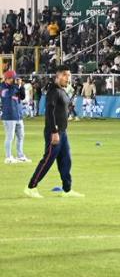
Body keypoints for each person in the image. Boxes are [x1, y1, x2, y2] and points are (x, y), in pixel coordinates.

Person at [24, 66, 82, 198]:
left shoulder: (62, 91)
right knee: (47, 160)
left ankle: (67, 190)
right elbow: (49, 112)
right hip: (54, 132)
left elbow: (64, 108)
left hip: (63, 132)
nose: (68, 78)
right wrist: (54, 131)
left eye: (69, 75)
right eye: (65, 75)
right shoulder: (53, 91)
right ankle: (31, 187)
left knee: (66, 161)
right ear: (58, 76)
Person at [2, 70, 28, 164]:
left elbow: (22, 97)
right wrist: (16, 85)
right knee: (10, 137)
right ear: (7, 79)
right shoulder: (3, 87)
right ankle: (8, 157)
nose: (14, 80)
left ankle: (20, 155)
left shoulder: (15, 87)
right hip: (9, 116)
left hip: (18, 115)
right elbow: (8, 95)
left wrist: (21, 87)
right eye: (13, 78)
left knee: (21, 136)